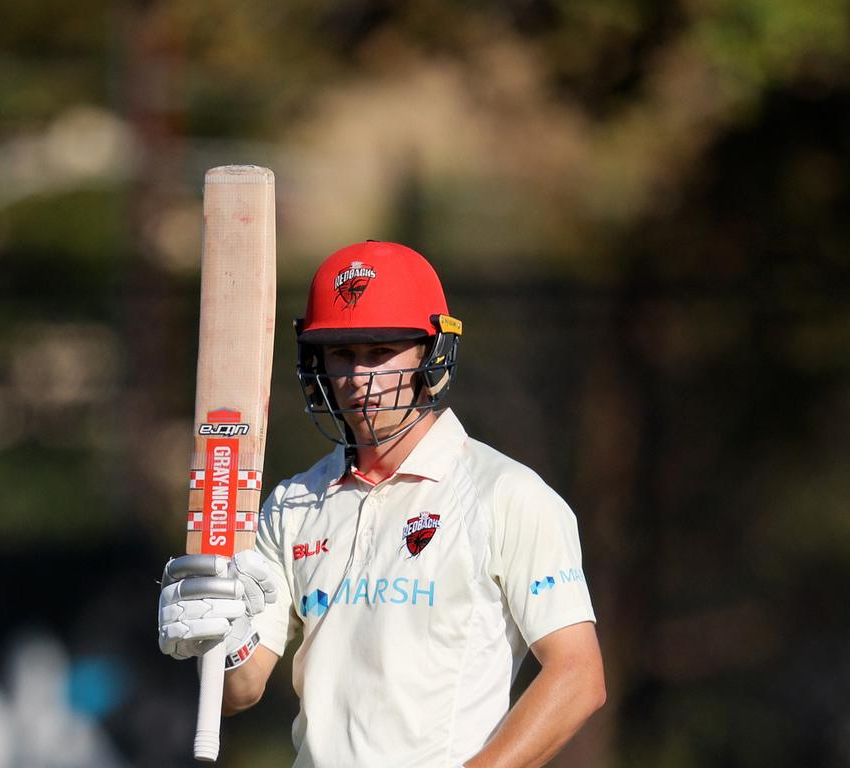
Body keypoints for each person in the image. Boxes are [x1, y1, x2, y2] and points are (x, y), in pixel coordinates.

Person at [159, 241, 606, 768]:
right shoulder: (293, 505)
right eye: (342, 354)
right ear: (315, 360)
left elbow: (577, 677)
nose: (359, 379)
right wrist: (223, 637)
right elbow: (240, 692)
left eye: (381, 352)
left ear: (430, 353)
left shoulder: (505, 493)